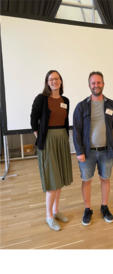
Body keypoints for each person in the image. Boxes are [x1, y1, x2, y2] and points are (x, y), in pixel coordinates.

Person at [72, 71, 113, 226]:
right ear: (89, 85)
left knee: (105, 179)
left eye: (98, 82)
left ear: (103, 84)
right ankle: (88, 209)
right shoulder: (81, 106)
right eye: (93, 83)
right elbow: (76, 131)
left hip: (106, 151)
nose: (96, 85)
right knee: (86, 180)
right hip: (87, 152)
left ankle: (104, 207)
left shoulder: (112, 105)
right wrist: (79, 151)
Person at [32, 70, 74, 231]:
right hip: (48, 141)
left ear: (61, 81)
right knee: (52, 180)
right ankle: (49, 216)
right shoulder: (41, 99)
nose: (54, 81)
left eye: (56, 79)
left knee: (59, 179)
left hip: (62, 140)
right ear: (47, 82)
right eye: (51, 79)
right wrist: (41, 137)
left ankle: (56, 211)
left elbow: (64, 120)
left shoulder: (66, 100)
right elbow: (33, 120)